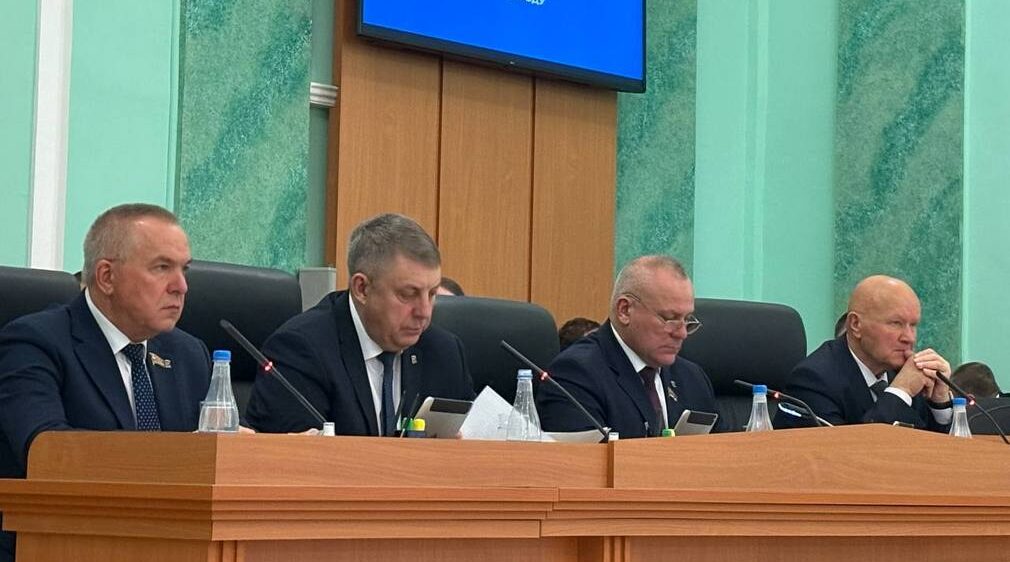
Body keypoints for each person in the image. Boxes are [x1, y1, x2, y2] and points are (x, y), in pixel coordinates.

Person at [0, 204, 211, 562]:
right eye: (162, 268)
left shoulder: (189, 354)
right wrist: (178, 456)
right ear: (106, 277)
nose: (181, 287)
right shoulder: (35, 343)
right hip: (58, 545)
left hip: (170, 545)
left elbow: (215, 443)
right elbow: (47, 450)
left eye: (184, 269)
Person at [245, 213, 475, 435]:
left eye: (432, 294)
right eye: (408, 294)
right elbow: (291, 455)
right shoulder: (301, 351)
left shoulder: (444, 353)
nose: (424, 312)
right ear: (362, 289)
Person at [536, 255, 723, 438]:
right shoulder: (576, 374)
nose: (682, 333)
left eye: (687, 320)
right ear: (624, 310)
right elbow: (582, 457)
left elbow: (721, 452)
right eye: (669, 319)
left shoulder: (692, 378)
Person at [774, 275, 952, 431]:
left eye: (913, 325)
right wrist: (900, 391)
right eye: (895, 323)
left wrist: (940, 402)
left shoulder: (905, 371)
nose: (909, 337)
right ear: (856, 325)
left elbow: (935, 449)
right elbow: (846, 451)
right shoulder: (813, 379)